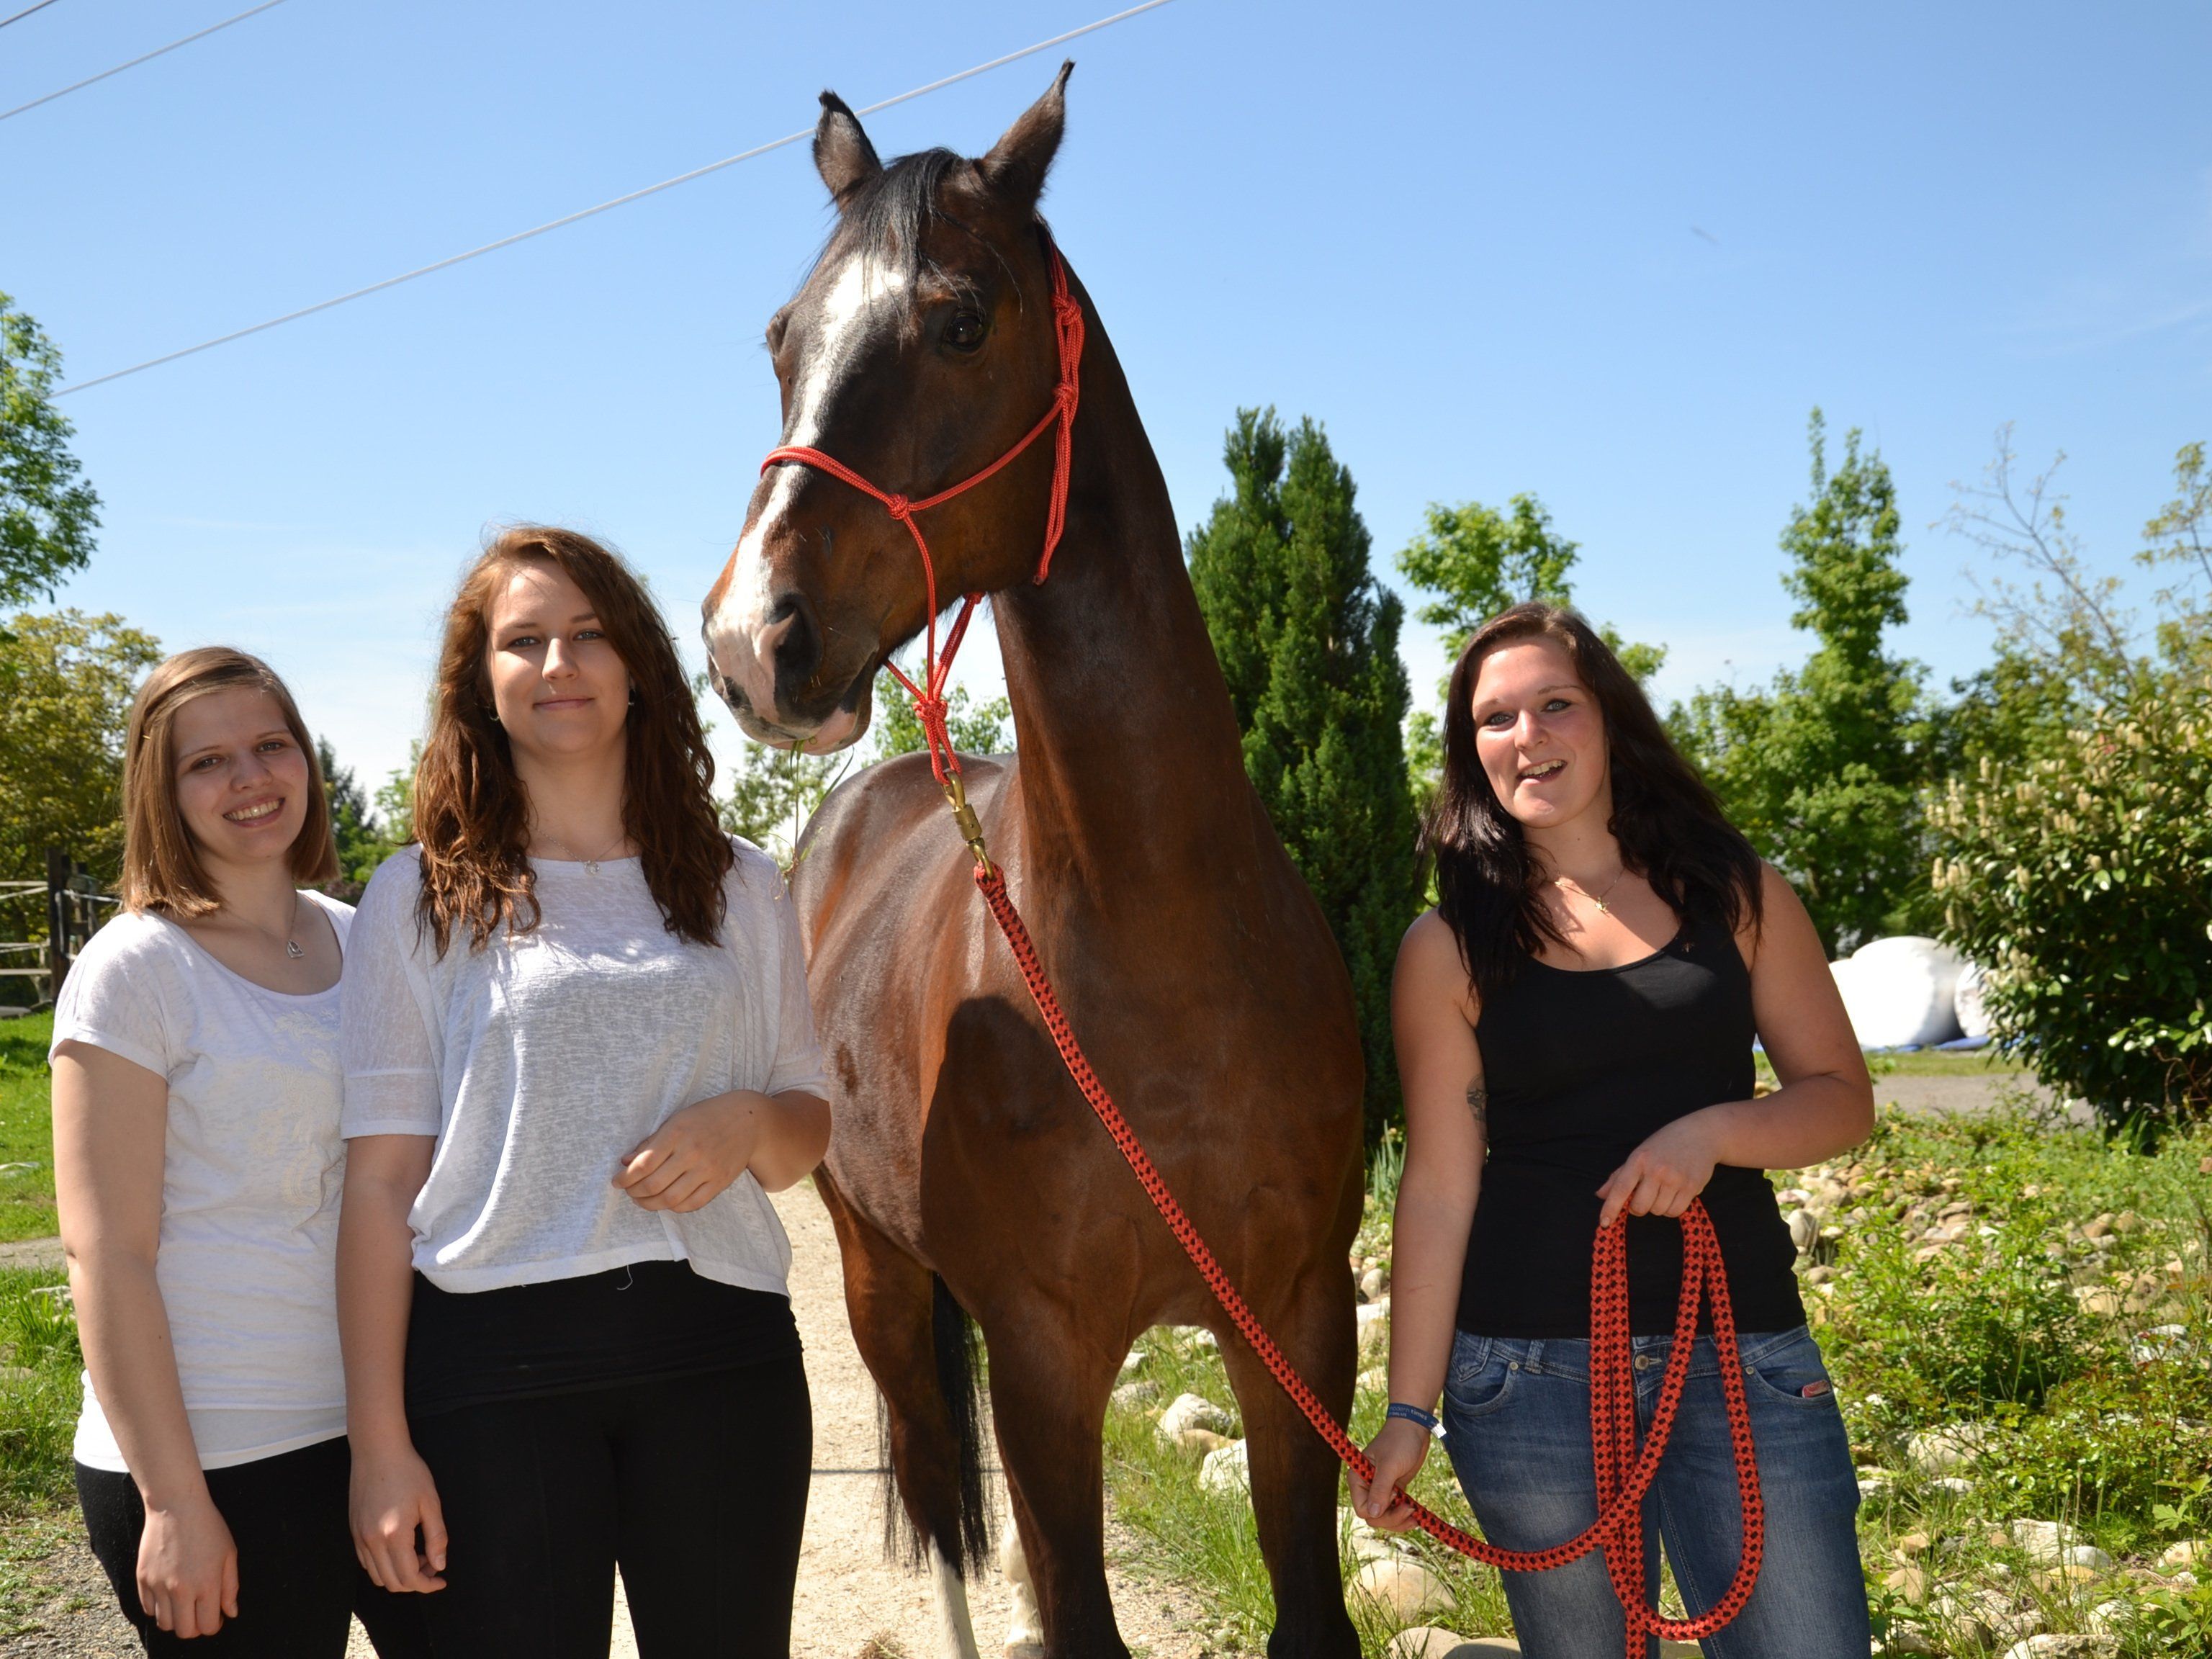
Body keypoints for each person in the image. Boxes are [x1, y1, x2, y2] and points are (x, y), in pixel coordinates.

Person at [337, 526, 832, 1658]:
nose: (559, 663)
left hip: (722, 1356)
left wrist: (751, 1118)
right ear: (482, 682)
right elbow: (379, 1187)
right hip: (494, 1374)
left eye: (588, 634)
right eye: (524, 641)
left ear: (637, 666)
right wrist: (379, 1445)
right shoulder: (416, 896)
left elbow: (804, 1127)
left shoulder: (741, 883)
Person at [1350, 603, 1874, 1656]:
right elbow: (1442, 1188)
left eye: (1555, 705)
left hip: (1743, 1352)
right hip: (1526, 1374)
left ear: (1610, 720)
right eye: (1494, 720)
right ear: (1471, 752)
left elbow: (1840, 1098)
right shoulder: (1446, 948)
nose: (1527, 737)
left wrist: (1715, 1132)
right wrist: (1409, 1412)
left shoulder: (1738, 894)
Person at [50, 649, 426, 1656]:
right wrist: (173, 1502)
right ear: (160, 793)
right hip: (217, 1451)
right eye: (205, 763)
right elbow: (106, 1253)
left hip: (386, 1428)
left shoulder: (366, 942)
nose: (251, 779)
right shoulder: (136, 970)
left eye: (270, 745)